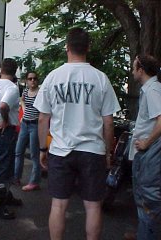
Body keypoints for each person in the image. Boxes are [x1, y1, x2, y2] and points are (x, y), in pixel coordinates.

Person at [33, 28, 120, 240]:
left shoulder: (54, 77)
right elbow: (108, 122)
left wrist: (43, 148)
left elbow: (43, 118)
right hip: (92, 150)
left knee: (59, 205)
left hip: (61, 150)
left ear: (67, 47)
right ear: (88, 47)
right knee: (93, 207)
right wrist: (109, 153)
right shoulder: (100, 79)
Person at [125, 55, 161, 240]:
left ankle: (147, 235)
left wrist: (146, 142)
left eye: (134, 68)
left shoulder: (153, 90)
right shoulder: (150, 89)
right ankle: (143, 233)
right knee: (143, 196)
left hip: (150, 154)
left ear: (141, 70)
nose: (132, 71)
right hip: (148, 154)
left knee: (148, 198)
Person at [0, 58, 22, 220]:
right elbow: (3, 106)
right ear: (15, 71)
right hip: (4, 129)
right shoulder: (12, 88)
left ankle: (5, 196)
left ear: (1, 69)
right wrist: (5, 119)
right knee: (4, 167)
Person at [14, 71, 41, 191]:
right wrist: (24, 111)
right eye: (30, 79)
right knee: (19, 151)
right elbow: (22, 100)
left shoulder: (40, 93)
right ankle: (16, 177)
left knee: (34, 154)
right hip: (25, 124)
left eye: (34, 78)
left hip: (35, 125)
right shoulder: (25, 91)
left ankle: (34, 181)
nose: (32, 80)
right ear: (26, 81)